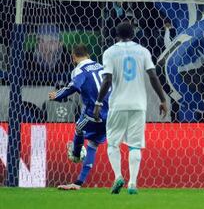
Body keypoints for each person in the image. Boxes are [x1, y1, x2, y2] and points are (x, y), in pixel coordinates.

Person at [93, 22, 168, 194]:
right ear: (133, 34)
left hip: (118, 104)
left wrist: (98, 102)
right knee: (135, 145)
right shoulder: (143, 51)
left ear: (116, 35)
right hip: (138, 104)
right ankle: (133, 183)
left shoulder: (110, 52)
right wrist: (163, 99)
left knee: (112, 143)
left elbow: (107, 80)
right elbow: (153, 76)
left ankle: (118, 176)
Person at [48, 44, 109, 190]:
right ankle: (78, 183)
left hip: (94, 113)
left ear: (73, 57)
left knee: (78, 128)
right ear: (88, 55)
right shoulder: (101, 66)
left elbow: (74, 86)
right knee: (93, 144)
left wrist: (57, 95)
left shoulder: (78, 70)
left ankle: (76, 154)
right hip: (111, 113)